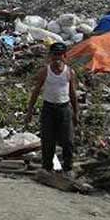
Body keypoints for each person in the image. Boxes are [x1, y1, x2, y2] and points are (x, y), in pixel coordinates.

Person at [26, 42, 78, 175]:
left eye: (60, 55)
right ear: (51, 56)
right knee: (48, 140)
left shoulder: (69, 72)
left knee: (68, 140)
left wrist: (76, 113)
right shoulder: (45, 71)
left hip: (64, 108)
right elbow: (36, 91)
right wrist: (30, 111)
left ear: (65, 56)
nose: (57, 58)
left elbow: (72, 93)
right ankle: (47, 168)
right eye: (55, 55)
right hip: (48, 108)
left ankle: (68, 168)